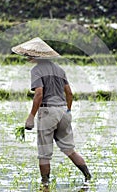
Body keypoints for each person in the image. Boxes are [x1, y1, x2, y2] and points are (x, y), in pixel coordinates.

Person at [11, 37, 91, 188]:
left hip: (48, 112)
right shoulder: (60, 70)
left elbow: (39, 94)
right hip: (63, 111)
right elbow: (70, 94)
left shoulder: (36, 70)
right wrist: (67, 111)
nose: (28, 56)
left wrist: (31, 116)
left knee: (44, 154)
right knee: (70, 150)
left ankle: (45, 184)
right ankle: (88, 176)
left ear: (37, 56)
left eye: (30, 54)